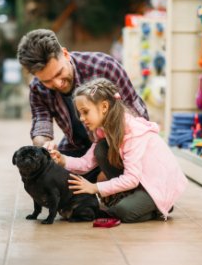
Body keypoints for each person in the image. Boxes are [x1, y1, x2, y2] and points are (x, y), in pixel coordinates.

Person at [17, 29, 149, 181]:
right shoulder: (37, 88)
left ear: (65, 54)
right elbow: (41, 123)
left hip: (118, 145)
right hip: (78, 148)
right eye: (47, 81)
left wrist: (108, 171)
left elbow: (137, 117)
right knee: (51, 180)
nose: (57, 83)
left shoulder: (104, 67)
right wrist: (44, 146)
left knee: (103, 157)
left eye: (59, 73)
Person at [50, 78, 188, 223]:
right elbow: (86, 163)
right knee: (101, 150)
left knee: (122, 211)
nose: (82, 118)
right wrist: (63, 160)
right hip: (140, 180)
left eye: (85, 112)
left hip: (157, 184)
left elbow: (131, 179)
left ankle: (159, 206)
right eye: (80, 113)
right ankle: (136, 200)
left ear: (104, 107)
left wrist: (95, 188)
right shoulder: (104, 131)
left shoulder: (132, 133)